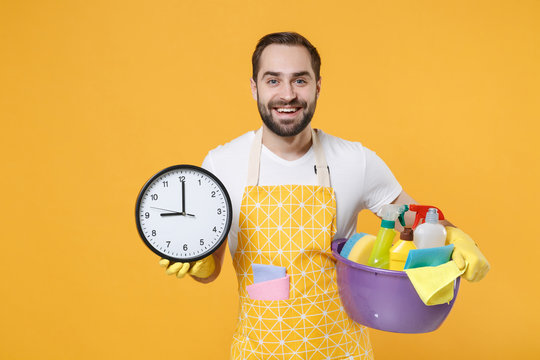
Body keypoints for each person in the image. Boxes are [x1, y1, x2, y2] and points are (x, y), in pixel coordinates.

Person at [159, 32, 490, 360]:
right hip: (258, 352)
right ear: (254, 87)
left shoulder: (356, 160)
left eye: (299, 80)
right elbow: (212, 268)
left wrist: (451, 233)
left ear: (317, 86)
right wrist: (199, 264)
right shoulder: (220, 164)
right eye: (273, 81)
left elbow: (415, 218)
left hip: (342, 352)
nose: (287, 95)